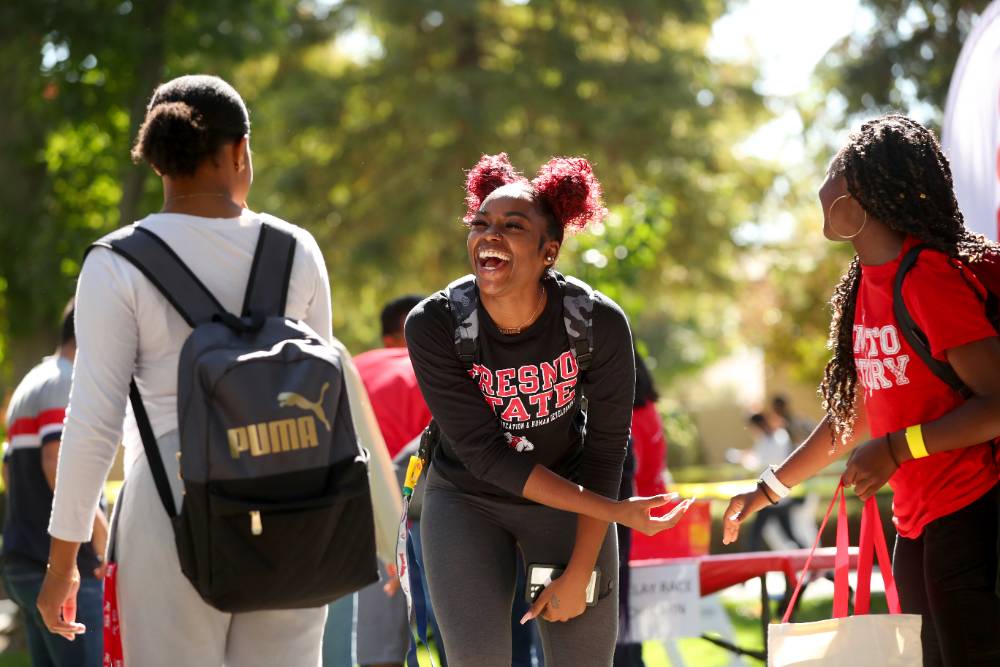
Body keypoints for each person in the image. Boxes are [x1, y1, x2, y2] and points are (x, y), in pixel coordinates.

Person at [36, 74, 336, 666]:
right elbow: (325, 389)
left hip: (170, 500)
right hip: (291, 497)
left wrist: (62, 562)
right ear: (240, 151)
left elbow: (94, 420)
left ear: (157, 160)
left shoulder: (116, 262)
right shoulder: (296, 250)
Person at [723, 114, 1000, 666]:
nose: (821, 187)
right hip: (916, 521)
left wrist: (898, 449)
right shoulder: (866, 286)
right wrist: (768, 488)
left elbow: (997, 403)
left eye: (833, 171)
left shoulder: (928, 277)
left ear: (861, 195)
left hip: (971, 512)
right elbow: (856, 416)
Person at [405, 153, 691, 666]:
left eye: (512, 227)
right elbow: (485, 455)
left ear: (548, 252)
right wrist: (619, 513)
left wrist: (580, 571)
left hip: (569, 497)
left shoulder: (595, 322)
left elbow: (606, 453)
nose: (489, 235)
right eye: (481, 223)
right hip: (466, 499)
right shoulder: (434, 323)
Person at [2, 300, 107, 666]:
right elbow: (56, 460)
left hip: (23, 558)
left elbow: (8, 468)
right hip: (60, 566)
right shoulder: (66, 381)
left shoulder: (32, 382)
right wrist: (101, 534)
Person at [348, 295, 437, 667]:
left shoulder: (354, 366)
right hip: (419, 506)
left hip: (348, 503)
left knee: (369, 636)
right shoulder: (437, 372)